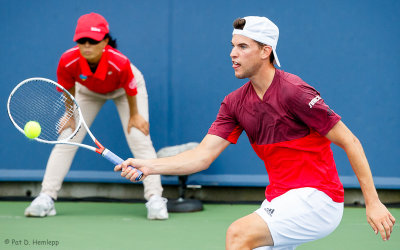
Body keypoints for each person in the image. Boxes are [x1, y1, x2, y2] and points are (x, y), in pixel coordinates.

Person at [115, 16, 396, 248]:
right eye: (232, 46)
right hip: (279, 198)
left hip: (318, 198)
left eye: (243, 46)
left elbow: (351, 141)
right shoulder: (234, 103)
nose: (232, 53)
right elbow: (202, 156)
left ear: (266, 51)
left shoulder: (295, 92)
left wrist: (373, 202)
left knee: (238, 234)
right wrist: (149, 166)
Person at [24, 13, 168, 220]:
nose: (87, 45)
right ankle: (46, 197)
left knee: (139, 137)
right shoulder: (68, 60)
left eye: (93, 40)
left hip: (126, 91)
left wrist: (135, 115)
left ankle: (155, 198)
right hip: (88, 92)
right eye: (82, 41)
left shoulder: (120, 62)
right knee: (67, 137)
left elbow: (131, 88)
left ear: (106, 41)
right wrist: (70, 114)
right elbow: (68, 89)